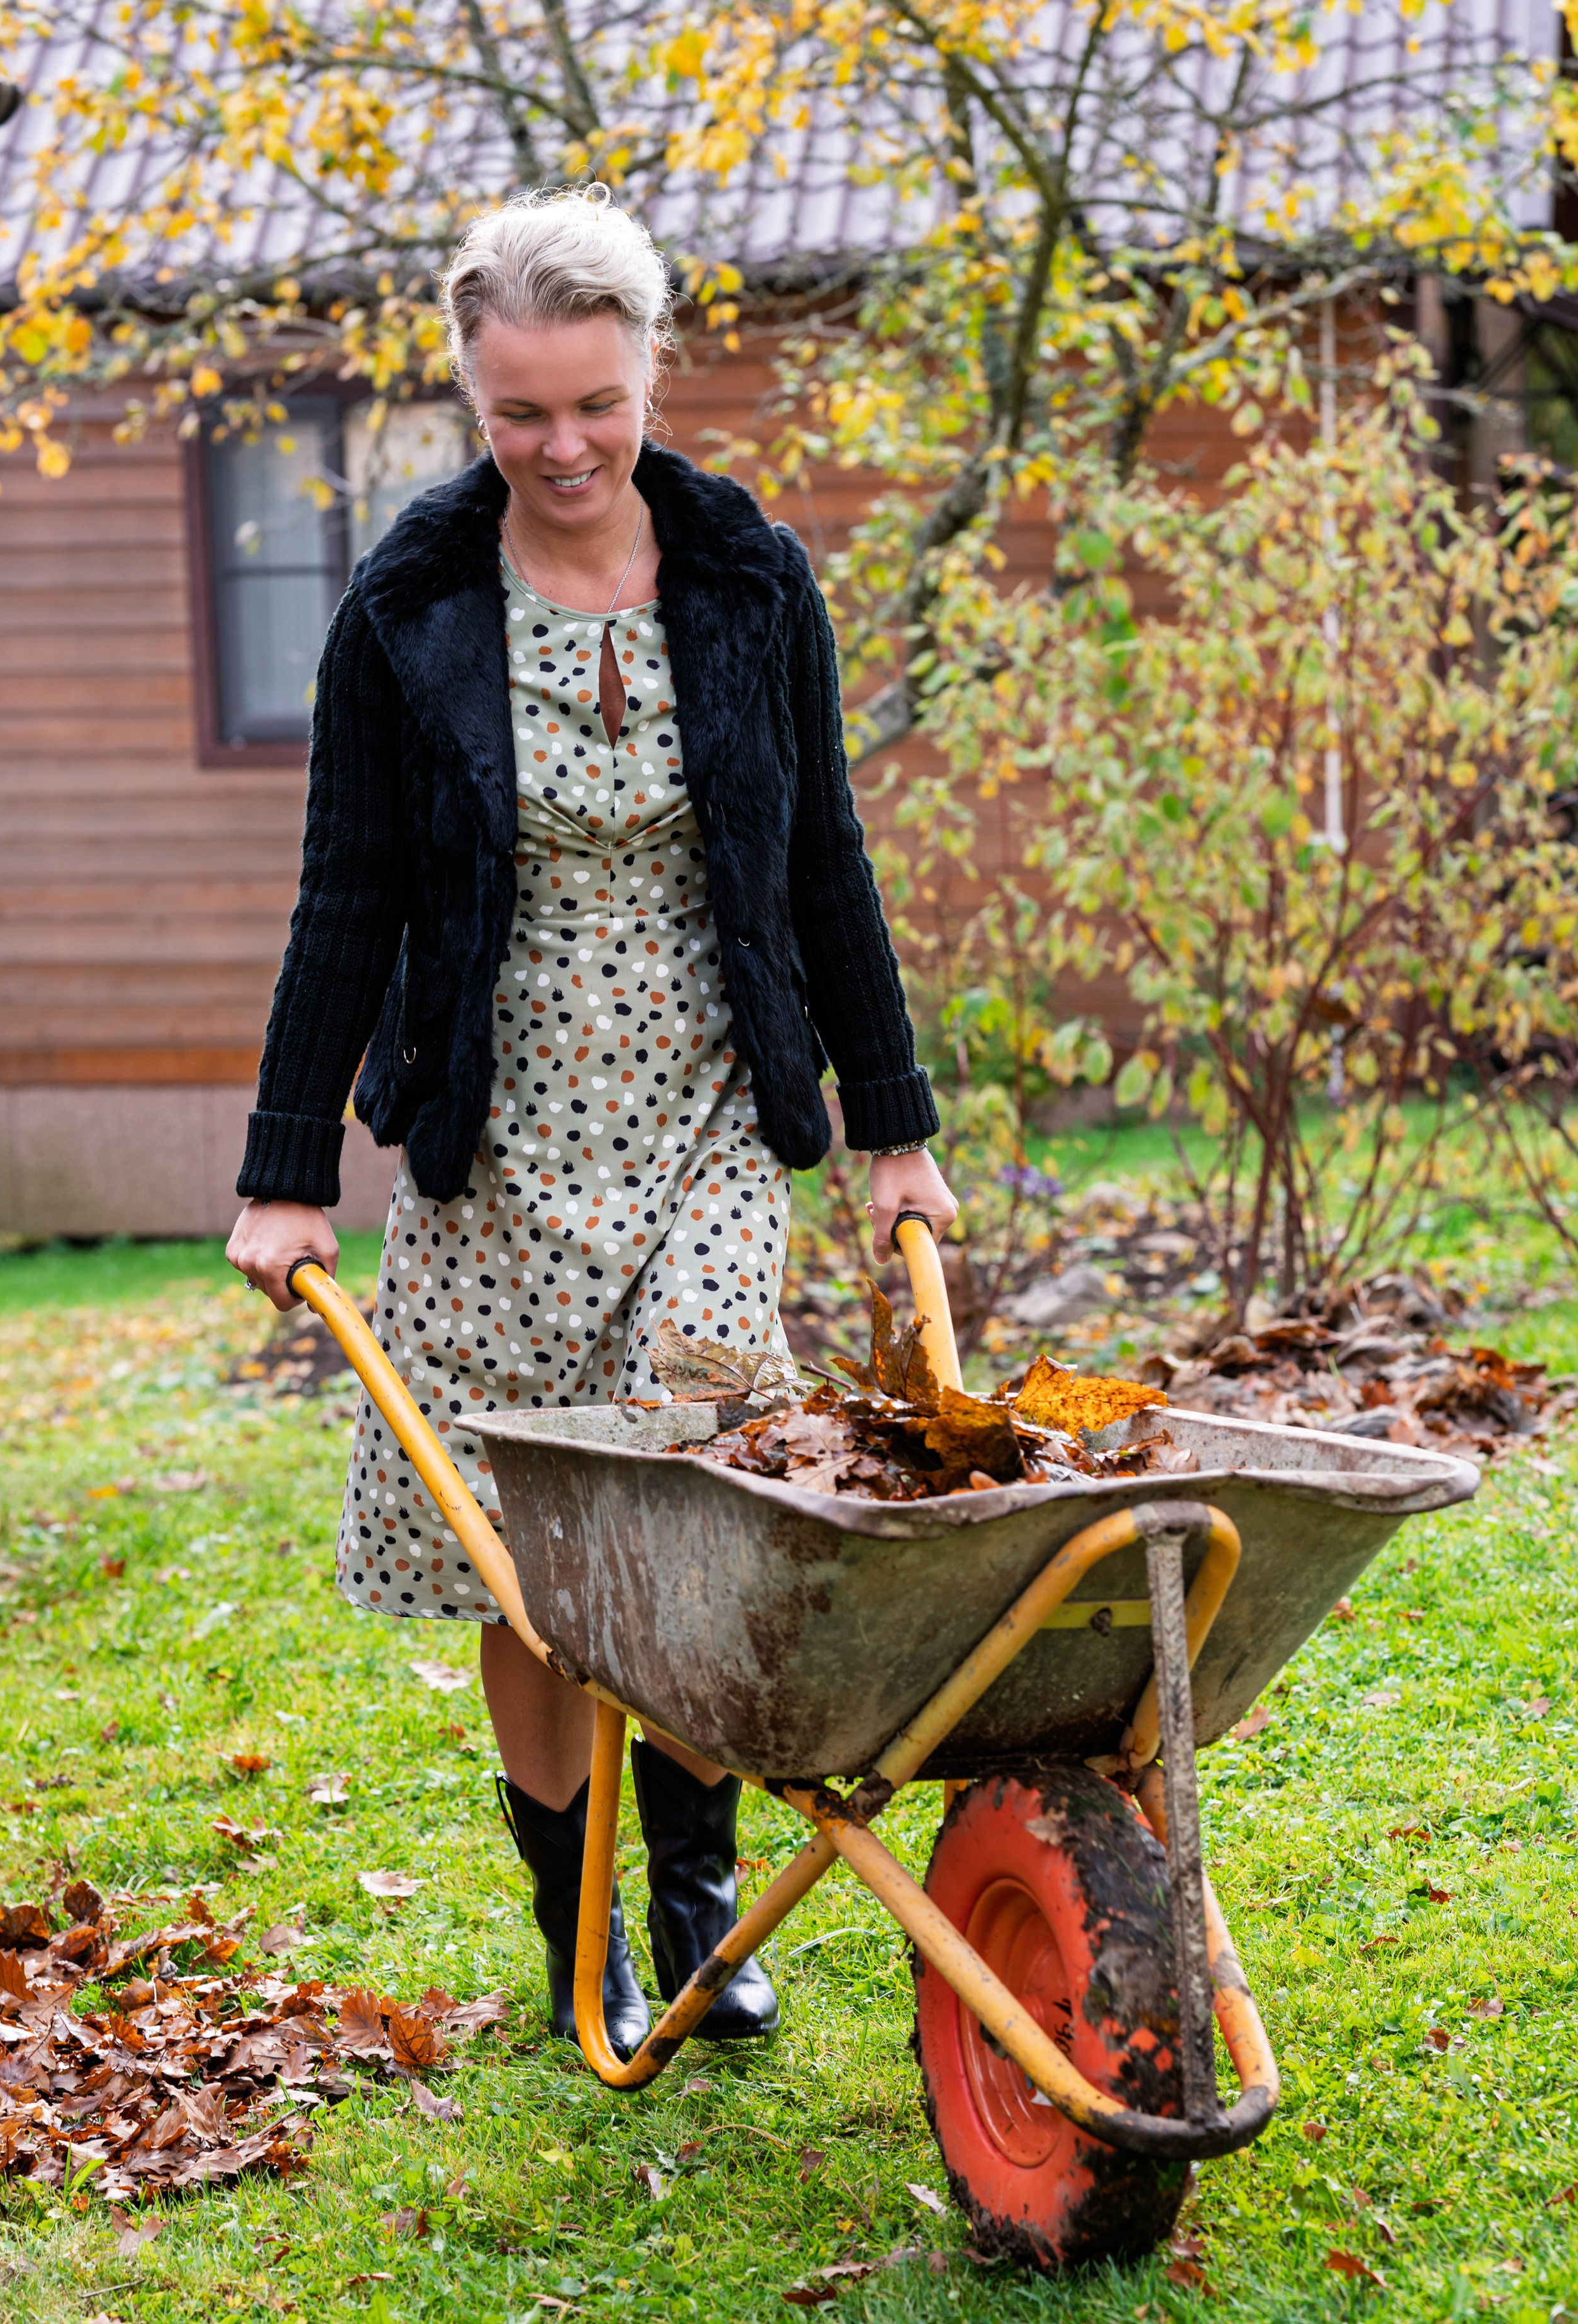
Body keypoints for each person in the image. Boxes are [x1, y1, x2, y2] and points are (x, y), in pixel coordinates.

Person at [227, 185, 958, 2060]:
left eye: (596, 406)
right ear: (475, 398)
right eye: (520, 414)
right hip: (493, 1140)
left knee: (694, 1512)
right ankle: (585, 1941)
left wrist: (892, 1128)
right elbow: (347, 895)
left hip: (708, 1115)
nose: (563, 449)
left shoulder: (746, 576)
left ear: (651, 376)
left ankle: (702, 1909)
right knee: (530, 1557)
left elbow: (823, 864)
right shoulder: (405, 605)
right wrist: (283, 1172)